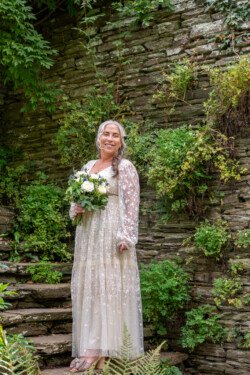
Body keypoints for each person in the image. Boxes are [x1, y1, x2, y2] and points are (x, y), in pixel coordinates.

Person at [69, 120, 144, 372]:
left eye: (115, 135)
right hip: (88, 233)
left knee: (106, 287)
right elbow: (75, 201)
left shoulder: (125, 167)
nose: (110, 138)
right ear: (99, 138)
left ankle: (95, 351)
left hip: (111, 234)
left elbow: (132, 205)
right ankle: (92, 347)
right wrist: (76, 208)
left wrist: (126, 236)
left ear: (121, 142)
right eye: (106, 134)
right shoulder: (88, 167)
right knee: (90, 286)